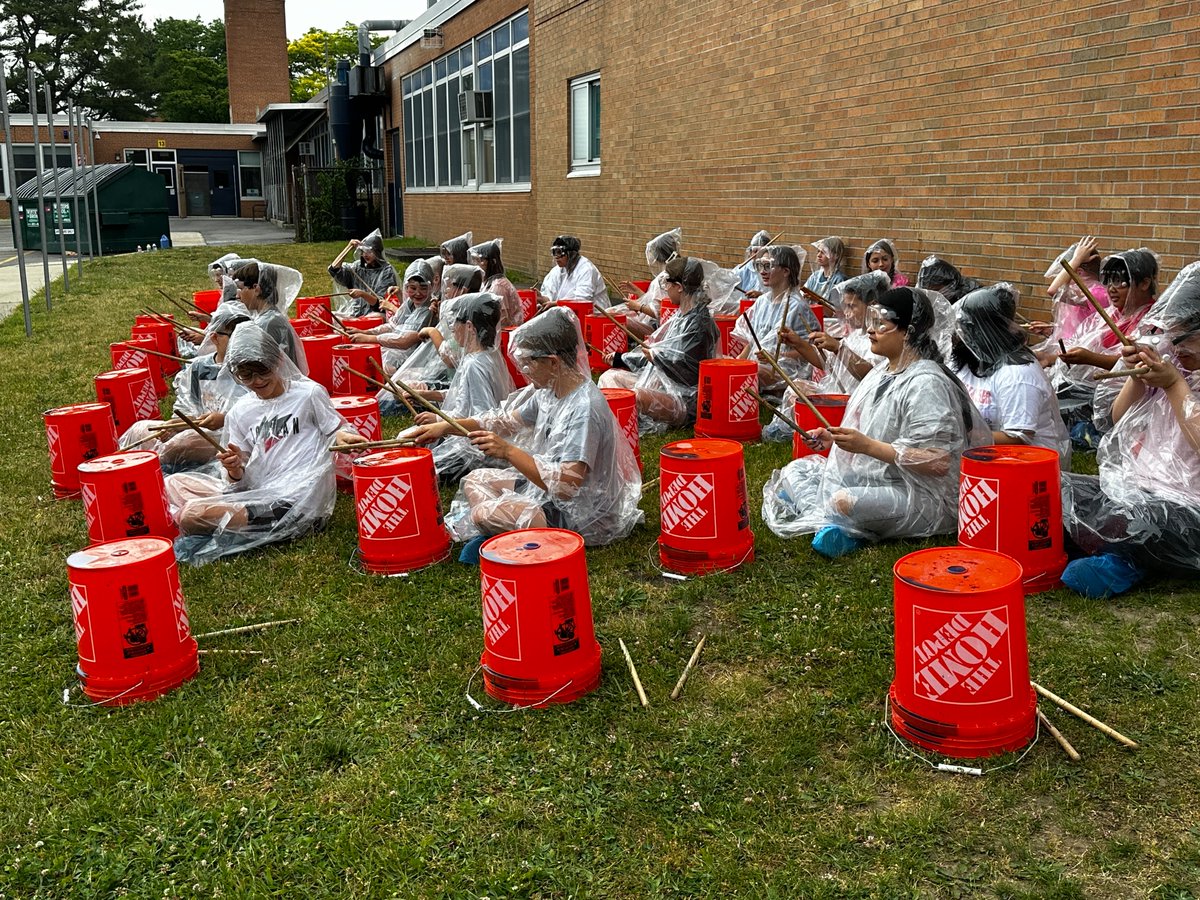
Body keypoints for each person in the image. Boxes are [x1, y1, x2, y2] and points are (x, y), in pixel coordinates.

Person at [762, 286, 989, 557]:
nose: (871, 330)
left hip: (926, 497)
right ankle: (837, 523)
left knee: (842, 501)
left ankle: (832, 519)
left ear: (908, 331)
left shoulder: (927, 383)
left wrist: (867, 447)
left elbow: (939, 462)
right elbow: (875, 431)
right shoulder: (883, 372)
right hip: (883, 479)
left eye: (881, 324)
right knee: (796, 470)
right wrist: (834, 438)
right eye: (871, 322)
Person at [408, 307, 643, 553]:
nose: (523, 371)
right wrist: (445, 426)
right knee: (475, 480)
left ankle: (510, 531)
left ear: (553, 362)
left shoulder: (584, 408)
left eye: (528, 363)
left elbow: (567, 485)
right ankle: (506, 529)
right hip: (550, 494)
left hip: (582, 514)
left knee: (482, 514)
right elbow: (504, 420)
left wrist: (508, 451)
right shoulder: (549, 391)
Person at [165, 323, 359, 565]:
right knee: (172, 484)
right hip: (259, 490)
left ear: (278, 360)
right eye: (246, 376)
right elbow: (237, 478)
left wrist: (343, 436)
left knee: (192, 515)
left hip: (294, 501)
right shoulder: (241, 410)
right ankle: (224, 524)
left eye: (262, 371)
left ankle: (211, 527)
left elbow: (336, 429)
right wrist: (234, 468)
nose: (256, 381)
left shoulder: (308, 394)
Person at [1060, 261, 1200, 597]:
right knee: (1055, 488)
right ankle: (1110, 545)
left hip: (1187, 508)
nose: (1177, 347)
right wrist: (1136, 377)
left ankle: (1119, 559)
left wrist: (1174, 385)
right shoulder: (1175, 362)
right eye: (1171, 335)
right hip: (1140, 487)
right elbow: (1115, 418)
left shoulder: (1177, 375)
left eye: (1184, 337)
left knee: (1147, 521)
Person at [388, 292, 515, 483]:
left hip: (475, 450)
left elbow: (483, 417)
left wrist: (440, 422)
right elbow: (464, 394)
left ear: (470, 327)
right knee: (410, 439)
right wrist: (426, 394)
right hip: (464, 433)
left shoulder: (475, 364)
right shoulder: (487, 355)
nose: (453, 330)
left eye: (455, 323)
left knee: (412, 455)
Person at [120, 305, 251, 472]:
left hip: (229, 434)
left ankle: (150, 469)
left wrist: (225, 419)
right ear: (214, 338)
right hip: (196, 427)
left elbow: (257, 411)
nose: (240, 340)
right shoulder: (199, 366)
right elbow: (186, 405)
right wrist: (175, 425)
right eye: (233, 335)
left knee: (184, 443)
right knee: (139, 429)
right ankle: (132, 469)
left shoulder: (250, 368)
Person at [950, 284, 1070, 467]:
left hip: (1024, 467)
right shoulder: (968, 361)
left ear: (983, 332)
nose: (957, 336)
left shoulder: (1017, 375)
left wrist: (959, 433)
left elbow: (1017, 439)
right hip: (981, 457)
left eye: (963, 329)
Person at [598, 256, 719, 432]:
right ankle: (621, 418)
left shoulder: (699, 324)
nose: (665, 289)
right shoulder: (680, 316)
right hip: (662, 385)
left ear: (679, 287)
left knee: (635, 397)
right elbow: (658, 354)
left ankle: (621, 421)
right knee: (609, 377)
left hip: (685, 399)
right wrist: (621, 359)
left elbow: (688, 370)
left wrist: (655, 355)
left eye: (666, 284)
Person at [1050, 248, 1158, 444]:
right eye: (1109, 281)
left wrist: (1090, 359)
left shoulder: (1151, 321)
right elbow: (1080, 341)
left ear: (1144, 283)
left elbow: (1134, 364)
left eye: (1120, 282)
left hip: (1122, 396)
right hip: (1092, 386)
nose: (1111, 288)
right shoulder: (1112, 314)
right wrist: (1054, 356)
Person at [732, 244, 820, 387]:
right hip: (761, 365)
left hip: (787, 370)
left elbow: (812, 351)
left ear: (785, 271)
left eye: (768, 266)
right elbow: (754, 341)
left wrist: (776, 357)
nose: (762, 271)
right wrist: (738, 361)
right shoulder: (762, 301)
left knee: (753, 373)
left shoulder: (796, 306)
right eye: (760, 266)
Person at [347, 259, 437, 373]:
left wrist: (371, 338)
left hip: (419, 363)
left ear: (431, 286)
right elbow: (393, 325)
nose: (418, 293)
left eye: (423, 288)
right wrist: (365, 332)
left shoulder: (429, 309)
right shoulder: (409, 303)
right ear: (406, 287)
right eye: (413, 288)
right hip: (402, 355)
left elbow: (405, 341)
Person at [228, 259, 307, 372]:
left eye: (241, 289)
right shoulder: (267, 317)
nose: (237, 295)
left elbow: (263, 366)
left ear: (256, 289)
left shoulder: (270, 322)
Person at [615, 227, 681, 339]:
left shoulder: (664, 277)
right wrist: (638, 292)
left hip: (661, 329)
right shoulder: (678, 268)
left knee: (615, 316)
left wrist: (638, 306)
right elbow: (659, 303)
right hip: (669, 325)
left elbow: (660, 312)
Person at [328, 228, 398, 317]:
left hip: (377, 315)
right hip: (355, 312)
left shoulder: (386, 271)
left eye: (369, 251)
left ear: (377, 252)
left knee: (373, 316)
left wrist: (362, 294)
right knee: (331, 316)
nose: (365, 255)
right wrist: (348, 247)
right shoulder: (357, 267)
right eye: (363, 251)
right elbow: (333, 269)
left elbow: (381, 305)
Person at [535, 235, 608, 310]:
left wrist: (556, 304)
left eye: (559, 252)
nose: (556, 257)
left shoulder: (586, 270)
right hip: (568, 315)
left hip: (595, 315)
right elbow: (551, 297)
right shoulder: (557, 271)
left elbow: (582, 300)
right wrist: (542, 298)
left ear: (570, 253)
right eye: (554, 252)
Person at [468, 238, 523, 327]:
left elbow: (502, 319)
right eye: (475, 261)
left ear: (491, 262)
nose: (476, 264)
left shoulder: (498, 286)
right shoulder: (489, 282)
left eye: (479, 261)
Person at [915, 255, 980, 305]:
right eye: (926, 290)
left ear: (951, 285)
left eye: (935, 290)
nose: (931, 295)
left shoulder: (968, 298)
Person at [732, 229, 771, 298]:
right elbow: (728, 283)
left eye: (762, 251)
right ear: (750, 253)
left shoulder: (774, 270)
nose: (758, 255)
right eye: (755, 251)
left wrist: (761, 295)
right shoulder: (742, 269)